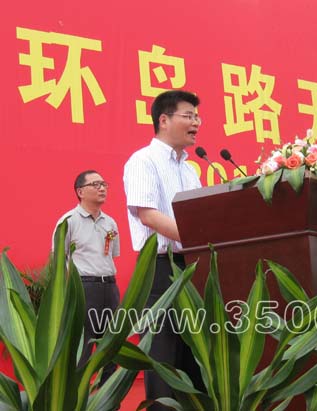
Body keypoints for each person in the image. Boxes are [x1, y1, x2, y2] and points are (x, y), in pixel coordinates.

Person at [123, 90, 204, 409]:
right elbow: (148, 215)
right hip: (159, 272)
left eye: (197, 116)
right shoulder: (143, 161)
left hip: (192, 268)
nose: (196, 122)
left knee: (195, 358)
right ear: (164, 120)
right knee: (163, 359)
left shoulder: (191, 169)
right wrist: (196, 238)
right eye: (188, 116)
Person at [53, 170, 120, 387]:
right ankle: (77, 396)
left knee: (111, 344)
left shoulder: (110, 222)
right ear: (80, 191)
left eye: (104, 184)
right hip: (84, 288)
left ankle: (109, 398)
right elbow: (59, 261)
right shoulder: (68, 221)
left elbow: (112, 255)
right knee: (83, 345)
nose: (102, 188)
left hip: (109, 287)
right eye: (95, 184)